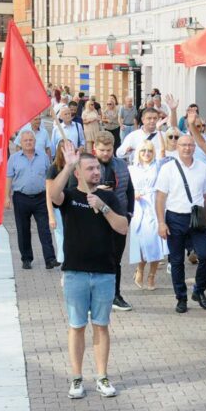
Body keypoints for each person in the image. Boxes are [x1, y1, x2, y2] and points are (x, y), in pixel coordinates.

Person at [49, 144, 128, 399]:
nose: (96, 172)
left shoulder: (110, 196)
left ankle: (102, 377)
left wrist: (103, 208)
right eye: (90, 168)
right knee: (77, 326)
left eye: (97, 168)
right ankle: (76, 378)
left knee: (101, 326)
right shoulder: (70, 196)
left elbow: (123, 227)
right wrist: (69, 164)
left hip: (104, 272)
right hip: (75, 273)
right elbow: (52, 194)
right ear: (78, 173)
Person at [155, 134, 206, 313]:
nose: (187, 148)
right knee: (177, 260)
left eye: (190, 145)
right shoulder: (168, 168)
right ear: (177, 147)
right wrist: (161, 222)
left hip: (197, 218)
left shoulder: (203, 167)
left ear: (194, 147)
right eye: (183, 145)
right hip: (175, 218)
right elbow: (160, 197)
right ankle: (181, 297)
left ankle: (199, 291)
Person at [93, 131, 135, 312]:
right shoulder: (88, 166)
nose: (105, 153)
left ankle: (115, 295)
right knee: (95, 260)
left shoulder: (121, 165)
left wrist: (129, 214)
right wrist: (96, 190)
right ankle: (94, 297)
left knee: (115, 260)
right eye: (102, 150)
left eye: (108, 150)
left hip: (119, 219)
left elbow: (130, 190)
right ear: (95, 148)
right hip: (95, 221)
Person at [6, 131, 59, 270]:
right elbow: (9, 178)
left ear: (35, 142)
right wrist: (7, 196)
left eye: (31, 140)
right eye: (26, 141)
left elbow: (50, 177)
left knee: (44, 229)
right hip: (21, 198)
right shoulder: (14, 158)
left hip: (40, 198)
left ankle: (50, 259)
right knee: (23, 230)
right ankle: (26, 259)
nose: (28, 142)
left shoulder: (43, 157)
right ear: (21, 143)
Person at [128, 140, 167, 291]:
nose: (146, 153)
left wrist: (159, 131)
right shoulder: (131, 168)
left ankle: (152, 275)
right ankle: (140, 269)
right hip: (138, 206)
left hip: (153, 204)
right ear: (138, 152)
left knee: (155, 242)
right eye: (143, 150)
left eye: (149, 150)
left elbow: (163, 150)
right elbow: (127, 187)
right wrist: (133, 194)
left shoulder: (157, 165)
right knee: (141, 241)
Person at [46, 141, 70, 265]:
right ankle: (63, 261)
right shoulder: (53, 169)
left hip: (71, 206)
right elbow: (49, 194)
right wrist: (51, 216)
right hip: (58, 209)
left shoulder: (76, 166)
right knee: (61, 235)